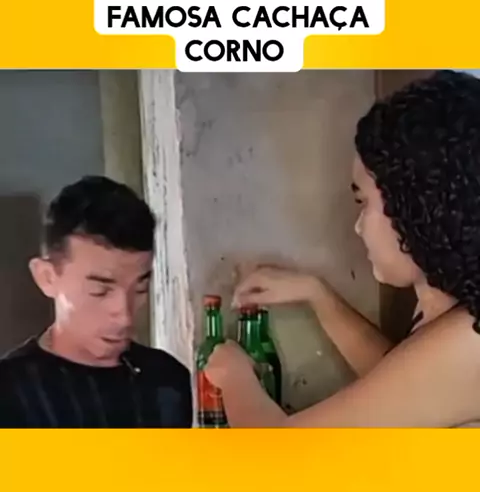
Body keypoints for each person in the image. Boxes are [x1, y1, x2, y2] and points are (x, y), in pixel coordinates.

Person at [205, 70, 480, 428]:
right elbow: (400, 389)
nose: (358, 226)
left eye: (363, 202)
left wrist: (234, 377)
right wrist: (318, 295)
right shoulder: (450, 316)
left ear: (417, 204)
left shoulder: (467, 343)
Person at [0, 176, 193, 428]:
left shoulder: (167, 380)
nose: (124, 316)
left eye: (140, 289)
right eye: (100, 291)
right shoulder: (11, 391)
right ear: (46, 277)